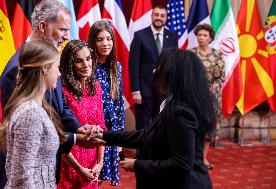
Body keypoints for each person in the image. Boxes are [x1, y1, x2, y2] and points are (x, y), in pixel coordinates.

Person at [0, 1, 103, 188]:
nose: (67, 36)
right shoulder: (17, 69)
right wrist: (76, 139)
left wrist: (79, 129)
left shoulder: (50, 59)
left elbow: (60, 106)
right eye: (62, 29)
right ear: (43, 26)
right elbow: (26, 135)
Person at [92, 49, 216, 189]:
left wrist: (137, 165)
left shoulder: (181, 112)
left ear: (173, 75)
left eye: (159, 68)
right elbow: (149, 135)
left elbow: (181, 164)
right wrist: (104, 136)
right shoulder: (173, 103)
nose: (154, 72)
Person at [0, 40, 62, 188]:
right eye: (58, 67)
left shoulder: (35, 107)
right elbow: (22, 177)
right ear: (45, 68)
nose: (59, 73)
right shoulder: (30, 114)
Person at [57, 40, 107, 189]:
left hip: (92, 166)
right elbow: (60, 137)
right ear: (70, 64)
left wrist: (100, 162)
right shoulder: (62, 91)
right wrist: (79, 169)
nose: (86, 64)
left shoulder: (96, 87)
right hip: (69, 165)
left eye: (88, 58)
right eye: (79, 61)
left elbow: (101, 127)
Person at [129, 5, 178, 143]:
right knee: (143, 127)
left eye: (162, 16)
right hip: (144, 90)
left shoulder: (172, 37)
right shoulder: (140, 35)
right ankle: (140, 157)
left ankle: (156, 155)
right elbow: (134, 64)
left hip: (164, 90)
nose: (159, 18)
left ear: (166, 18)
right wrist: (135, 90)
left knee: (162, 125)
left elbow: (174, 63)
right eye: (156, 15)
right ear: (151, 16)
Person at [88, 20, 125, 186]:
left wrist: (121, 141)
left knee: (102, 177)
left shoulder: (116, 67)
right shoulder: (87, 66)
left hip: (111, 131)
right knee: (90, 174)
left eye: (109, 39)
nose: (105, 43)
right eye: (100, 39)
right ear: (93, 42)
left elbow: (118, 106)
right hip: (91, 129)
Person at [192, 23, 225, 169]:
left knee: (209, 128)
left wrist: (214, 86)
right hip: (195, 97)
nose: (202, 38)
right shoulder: (191, 54)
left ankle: (204, 158)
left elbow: (221, 77)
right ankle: (194, 157)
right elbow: (187, 75)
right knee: (195, 126)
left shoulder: (217, 54)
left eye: (205, 35)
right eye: (199, 35)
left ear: (210, 38)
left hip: (212, 97)